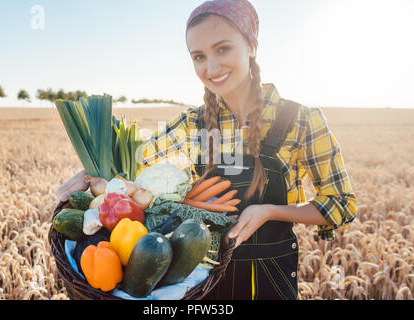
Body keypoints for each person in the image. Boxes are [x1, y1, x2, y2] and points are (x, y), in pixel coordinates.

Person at [56, 0, 356, 300]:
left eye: (223, 49)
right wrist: (91, 172)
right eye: (199, 56)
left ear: (251, 45)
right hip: (200, 283)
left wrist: (269, 212)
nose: (211, 68)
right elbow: (132, 160)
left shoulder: (300, 120)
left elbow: (341, 204)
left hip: (271, 281)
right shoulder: (193, 123)